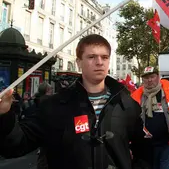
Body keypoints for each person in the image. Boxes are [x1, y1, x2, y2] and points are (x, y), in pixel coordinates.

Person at [0, 34, 149, 169]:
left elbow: (144, 150)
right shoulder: (54, 105)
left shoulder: (126, 104)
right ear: (79, 62)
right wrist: (4, 115)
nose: (99, 62)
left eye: (104, 57)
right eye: (92, 57)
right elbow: (16, 145)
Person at [131, 66, 169, 169]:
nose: (149, 80)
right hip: (145, 147)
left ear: (158, 77)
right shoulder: (136, 96)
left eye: (152, 76)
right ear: (142, 79)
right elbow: (130, 120)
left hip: (168, 144)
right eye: (146, 78)